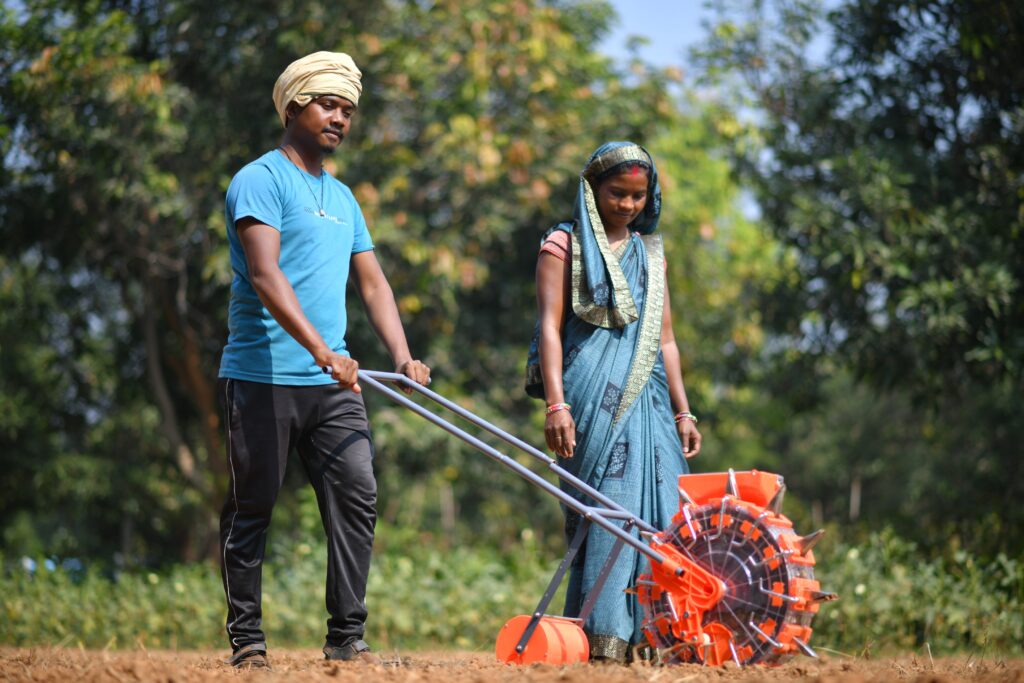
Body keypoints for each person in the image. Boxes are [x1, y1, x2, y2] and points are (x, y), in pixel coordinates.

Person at [216, 51, 430, 669]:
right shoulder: (259, 180)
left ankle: (346, 637)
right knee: (253, 508)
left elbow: (373, 284)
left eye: (347, 111)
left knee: (357, 496)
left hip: (336, 384)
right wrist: (320, 351)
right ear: (293, 107)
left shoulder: (342, 197)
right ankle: (248, 642)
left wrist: (403, 356)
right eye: (328, 105)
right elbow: (265, 274)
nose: (339, 119)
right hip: (263, 377)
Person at [525, 141, 702, 662]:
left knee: (665, 510)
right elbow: (550, 327)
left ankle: (656, 637)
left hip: (650, 404)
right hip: (587, 398)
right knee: (610, 511)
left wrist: (683, 411)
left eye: (637, 196)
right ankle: (602, 637)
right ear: (592, 191)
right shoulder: (563, 244)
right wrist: (555, 404)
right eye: (616, 193)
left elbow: (666, 340)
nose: (627, 205)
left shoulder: (651, 255)